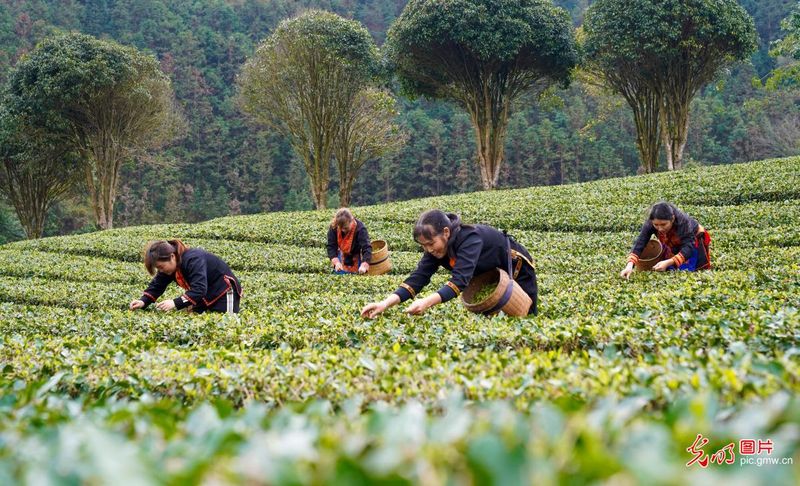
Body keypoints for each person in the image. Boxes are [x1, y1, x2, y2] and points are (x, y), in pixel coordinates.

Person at [361, 210, 538, 318]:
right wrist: (385, 303)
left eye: (431, 244)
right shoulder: (436, 250)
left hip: (517, 270)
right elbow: (418, 278)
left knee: (525, 315)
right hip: (490, 277)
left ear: (446, 232)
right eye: (424, 246)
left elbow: (459, 281)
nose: (429, 249)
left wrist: (427, 302)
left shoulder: (469, 239)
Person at [129, 240, 242, 313]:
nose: (160, 271)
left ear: (172, 256)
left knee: (227, 325)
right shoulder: (170, 267)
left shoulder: (193, 259)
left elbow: (199, 289)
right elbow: (157, 285)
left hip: (224, 291)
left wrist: (175, 302)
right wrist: (143, 301)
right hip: (204, 295)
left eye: (161, 267)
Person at [620, 201, 711, 279]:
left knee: (691, 271)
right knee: (670, 269)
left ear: (672, 219)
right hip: (671, 241)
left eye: (663, 224)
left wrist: (669, 262)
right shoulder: (650, 223)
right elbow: (640, 242)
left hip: (693, 240)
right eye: (656, 225)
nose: (660, 228)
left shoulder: (684, 223)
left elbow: (688, 247)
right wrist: (629, 266)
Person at [327, 208, 372, 275]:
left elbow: (366, 247)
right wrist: (336, 262)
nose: (343, 230)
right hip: (341, 257)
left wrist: (364, 264)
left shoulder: (360, 228)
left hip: (356, 257)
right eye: (341, 228)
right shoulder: (334, 226)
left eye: (345, 228)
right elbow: (331, 246)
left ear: (351, 221)